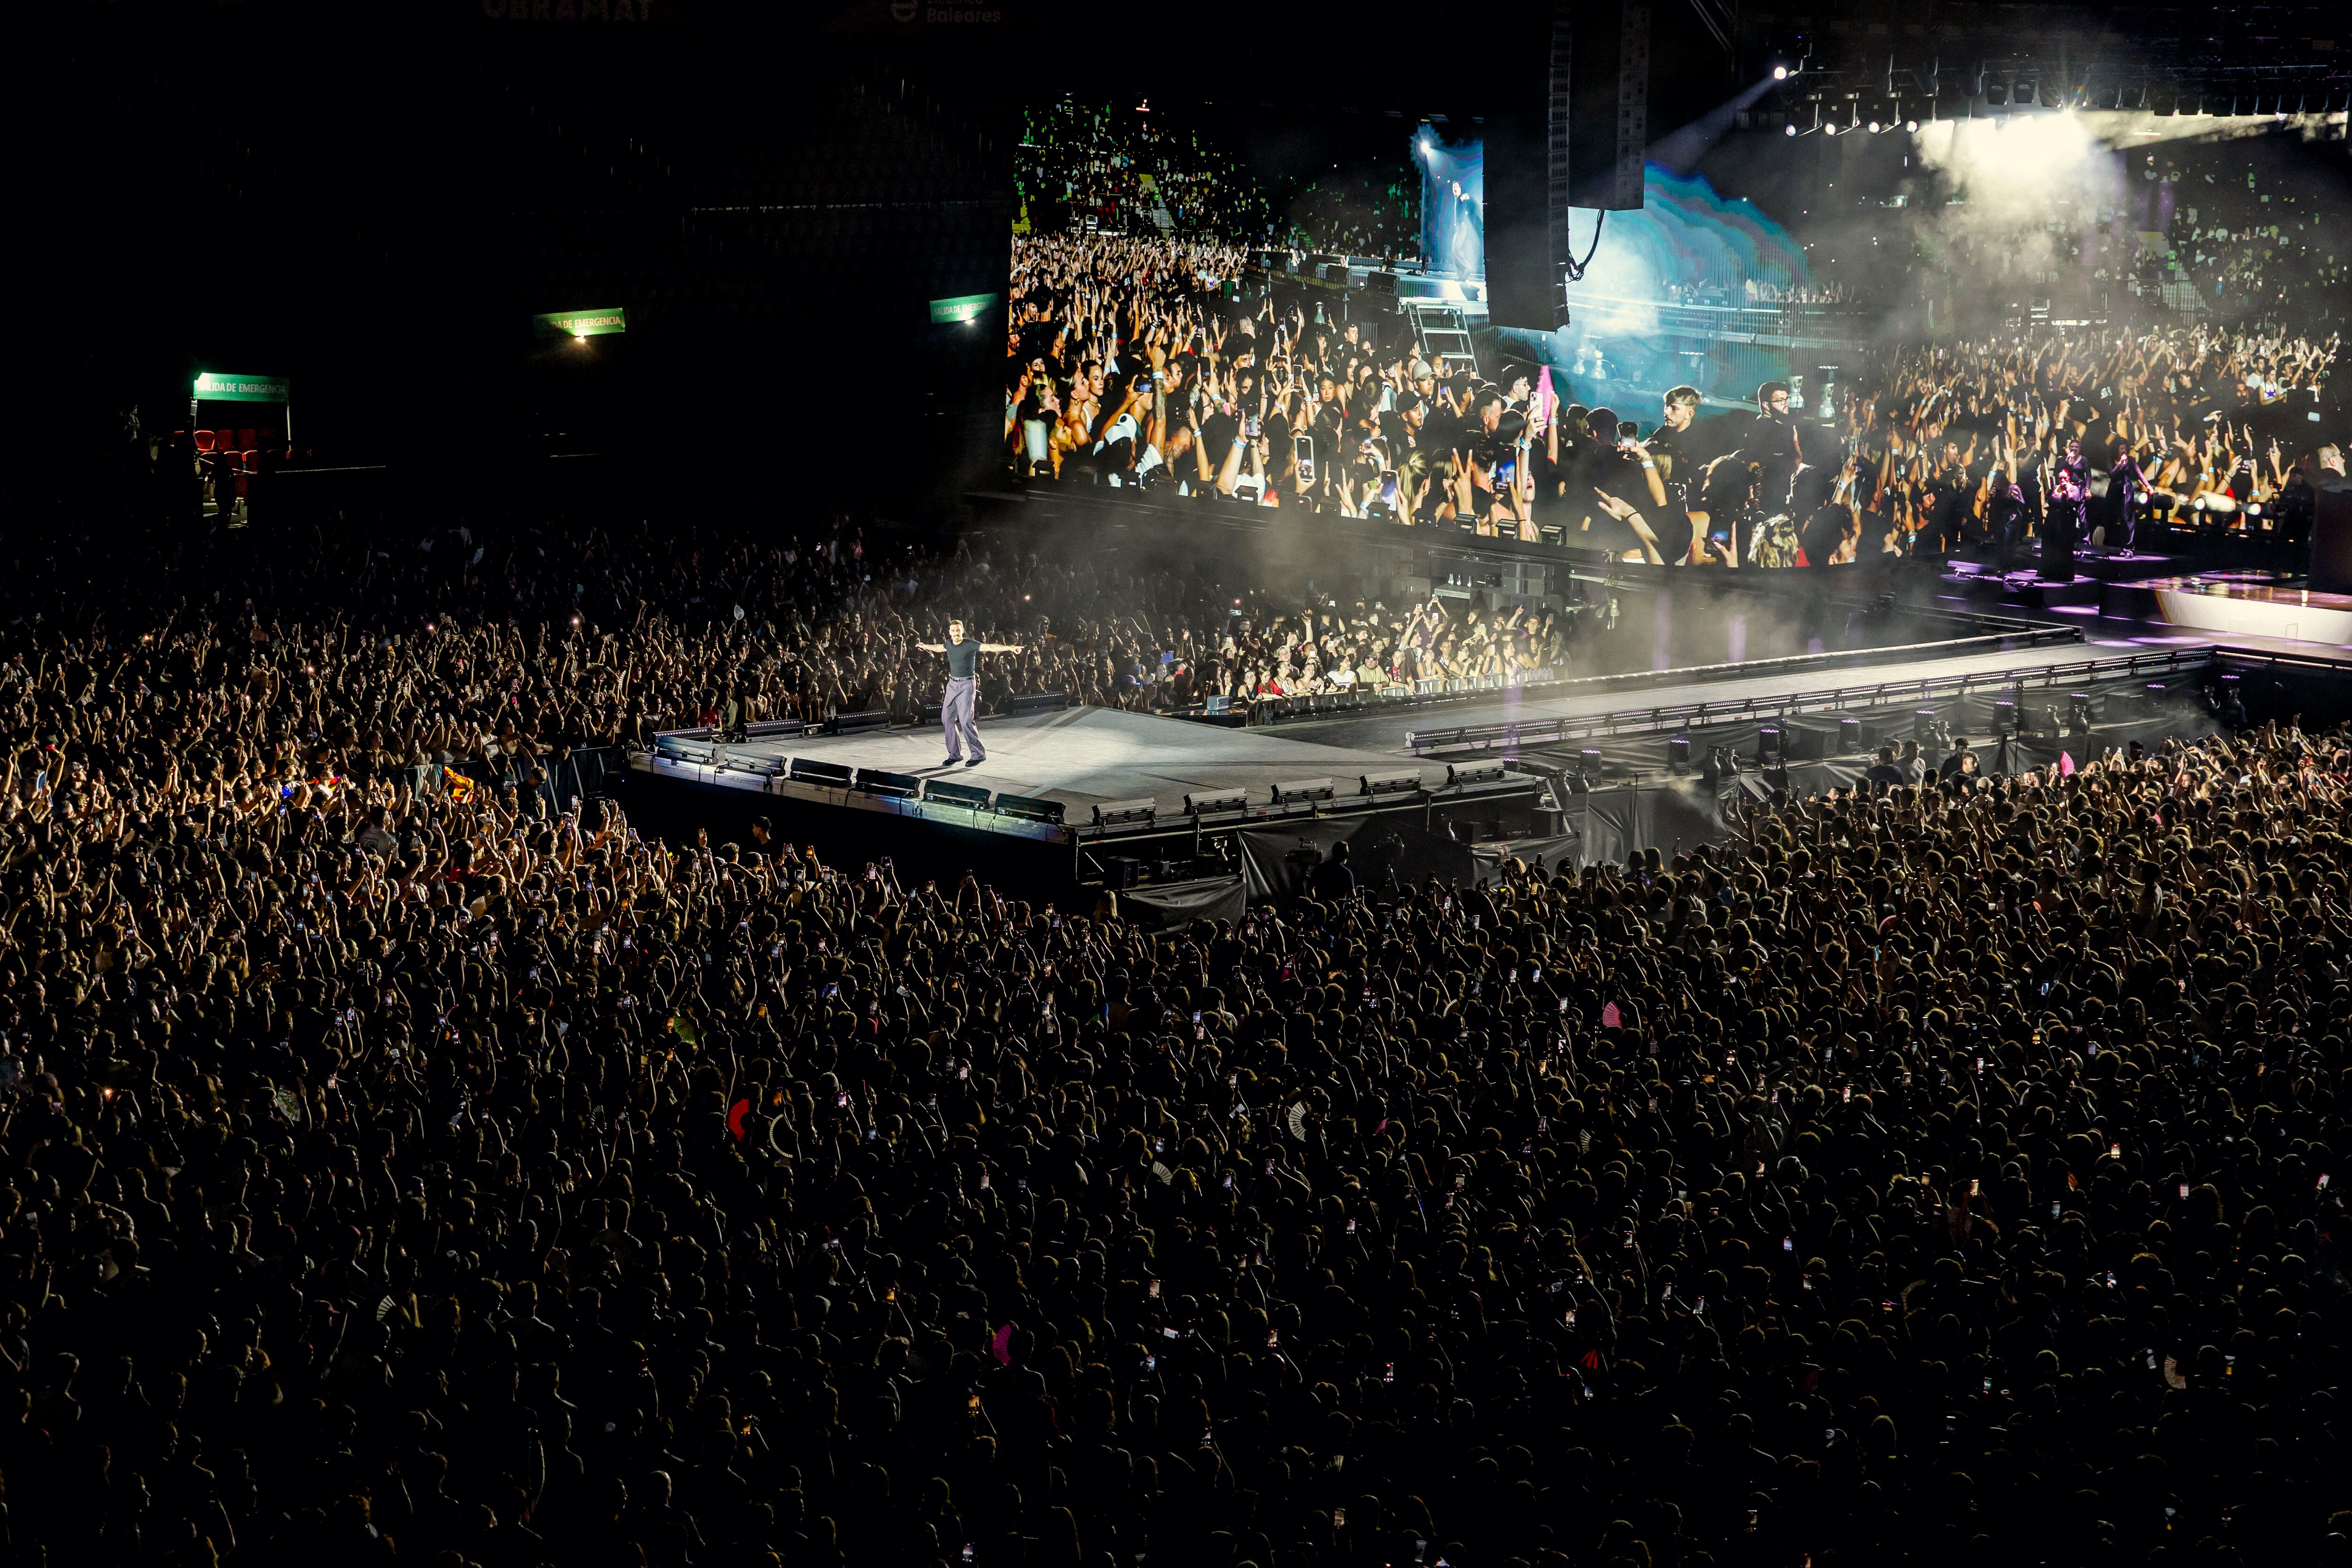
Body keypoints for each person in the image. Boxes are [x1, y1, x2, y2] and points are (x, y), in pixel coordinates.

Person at [915, 617, 1022, 766]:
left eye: (958, 630)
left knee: (965, 720)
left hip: (967, 684)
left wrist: (1010, 648)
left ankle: (978, 754)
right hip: (953, 684)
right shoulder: (949, 644)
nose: (956, 633)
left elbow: (990, 647)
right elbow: (940, 648)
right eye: (953, 631)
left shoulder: (970, 644)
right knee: (947, 719)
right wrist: (925, 646)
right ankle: (955, 755)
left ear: (963, 631)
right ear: (950, 632)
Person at [2045, 437, 2090, 582]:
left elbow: (2088, 475)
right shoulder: (2064, 460)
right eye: (2072, 447)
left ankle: (2085, 541)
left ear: (2080, 449)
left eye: (2077, 447)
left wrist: (2087, 489)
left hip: (2076, 488)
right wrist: (2067, 461)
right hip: (2063, 491)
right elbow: (2059, 471)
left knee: (2081, 516)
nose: (2074, 449)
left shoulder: (2083, 460)